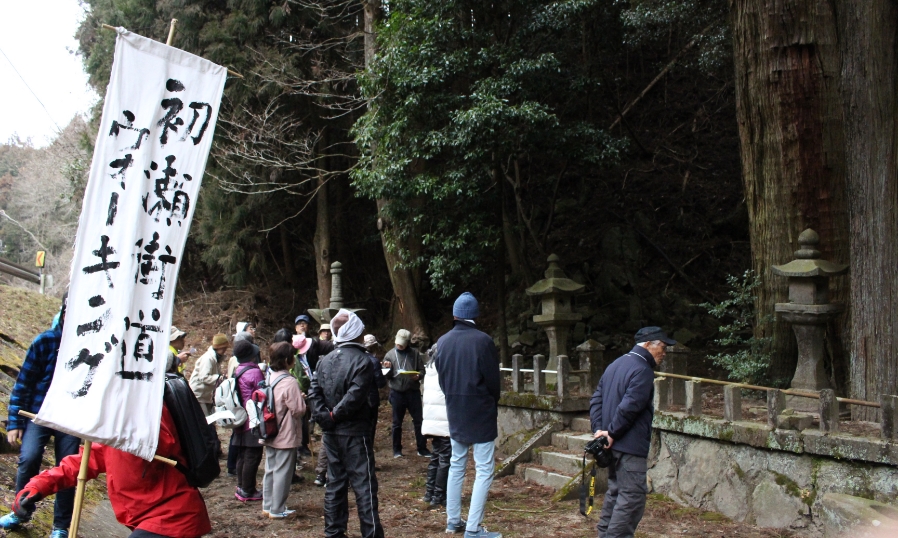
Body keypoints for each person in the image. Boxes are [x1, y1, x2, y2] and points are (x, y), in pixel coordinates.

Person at [11, 403, 211, 538]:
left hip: (173, 518)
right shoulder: (111, 429)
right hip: (145, 520)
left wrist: (124, 417)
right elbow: (84, 460)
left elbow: (164, 442)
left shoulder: (148, 408)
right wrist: (39, 485)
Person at [0, 296, 80, 537]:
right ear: (64, 315)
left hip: (70, 417)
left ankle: (61, 526)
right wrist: (15, 422)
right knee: (29, 456)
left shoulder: (90, 347)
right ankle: (20, 510)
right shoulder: (44, 341)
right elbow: (23, 384)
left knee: (69, 468)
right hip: (38, 413)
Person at [590, 327, 675, 538]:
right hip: (629, 444)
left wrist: (600, 431)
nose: (664, 353)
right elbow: (630, 406)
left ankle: (604, 535)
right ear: (648, 344)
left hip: (613, 444)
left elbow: (596, 400)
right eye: (662, 347)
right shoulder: (642, 369)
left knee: (615, 493)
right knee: (631, 498)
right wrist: (611, 432)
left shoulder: (615, 365)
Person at [308, 309, 384, 538]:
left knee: (335, 484)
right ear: (357, 334)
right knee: (364, 487)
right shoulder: (363, 361)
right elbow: (355, 395)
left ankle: (333, 533)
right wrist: (332, 416)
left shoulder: (325, 360)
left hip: (332, 433)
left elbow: (314, 393)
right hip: (354, 432)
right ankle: (370, 534)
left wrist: (326, 417)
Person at [435, 292, 502, 538]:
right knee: (484, 468)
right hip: (481, 410)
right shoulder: (483, 340)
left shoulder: (442, 341)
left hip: (455, 408)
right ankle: (473, 528)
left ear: (455, 315)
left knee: (457, 464)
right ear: (475, 314)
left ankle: (453, 521)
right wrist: (492, 400)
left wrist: (453, 396)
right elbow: (493, 382)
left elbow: (441, 379)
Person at [262, 342, 307, 519]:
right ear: (288, 360)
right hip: (285, 432)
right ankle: (278, 509)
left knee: (270, 469)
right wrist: (302, 399)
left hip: (269, 429)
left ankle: (267, 505)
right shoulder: (289, 381)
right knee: (283, 471)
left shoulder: (269, 377)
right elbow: (298, 410)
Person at [383, 329, 429, 458]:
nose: (400, 345)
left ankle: (422, 448)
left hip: (412, 392)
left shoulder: (414, 354)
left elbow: (422, 370)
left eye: (402, 343)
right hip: (397, 392)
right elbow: (386, 375)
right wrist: (387, 369)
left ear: (408, 343)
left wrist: (418, 376)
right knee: (397, 423)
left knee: (419, 420)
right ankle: (397, 449)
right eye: (398, 343)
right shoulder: (390, 355)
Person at [231, 339, 266, 502]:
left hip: (239, 417)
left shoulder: (237, 370)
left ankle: (241, 486)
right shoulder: (255, 372)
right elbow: (262, 394)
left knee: (242, 455)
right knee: (253, 455)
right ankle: (248, 489)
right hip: (252, 419)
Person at [422, 343, 451, 509]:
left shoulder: (430, 369)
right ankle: (439, 495)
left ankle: (430, 492)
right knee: (445, 459)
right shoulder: (443, 370)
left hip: (433, 420)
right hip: (444, 420)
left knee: (436, 457)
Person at [188, 333, 229, 416]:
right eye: (224, 347)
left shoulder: (216, 359)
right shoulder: (208, 359)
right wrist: (220, 378)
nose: (225, 350)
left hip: (206, 396)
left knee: (210, 421)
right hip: (198, 395)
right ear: (220, 347)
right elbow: (204, 377)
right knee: (205, 422)